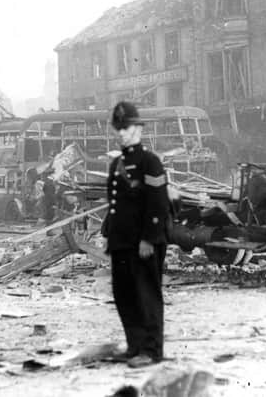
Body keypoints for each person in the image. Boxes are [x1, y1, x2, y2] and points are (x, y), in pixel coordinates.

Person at [102, 101, 170, 368]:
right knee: (125, 295)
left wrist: (149, 239)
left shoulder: (150, 162)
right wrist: (109, 234)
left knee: (146, 295)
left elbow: (158, 204)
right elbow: (115, 205)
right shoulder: (117, 163)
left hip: (143, 242)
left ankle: (152, 351)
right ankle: (135, 346)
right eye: (118, 128)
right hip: (121, 242)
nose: (121, 133)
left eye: (126, 127)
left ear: (138, 129)